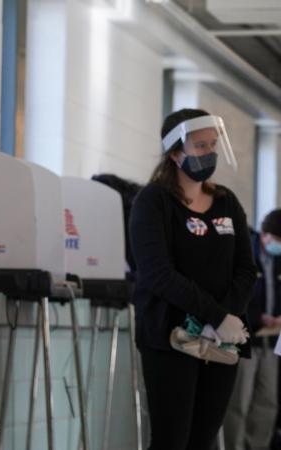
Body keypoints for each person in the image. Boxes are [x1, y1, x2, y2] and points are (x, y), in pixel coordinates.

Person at [129, 108, 257, 450]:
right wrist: (214, 316)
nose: (209, 153)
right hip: (170, 336)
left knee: (203, 438)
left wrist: (227, 317)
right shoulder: (153, 202)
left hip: (222, 339)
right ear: (175, 153)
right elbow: (158, 273)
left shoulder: (226, 202)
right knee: (172, 439)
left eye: (212, 145)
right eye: (200, 146)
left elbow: (246, 268)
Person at [225, 209, 281, 450]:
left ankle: (258, 446)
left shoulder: (278, 260)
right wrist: (259, 317)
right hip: (246, 338)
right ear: (266, 235)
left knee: (268, 401)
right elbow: (236, 295)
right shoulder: (244, 253)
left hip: (271, 341)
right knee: (239, 402)